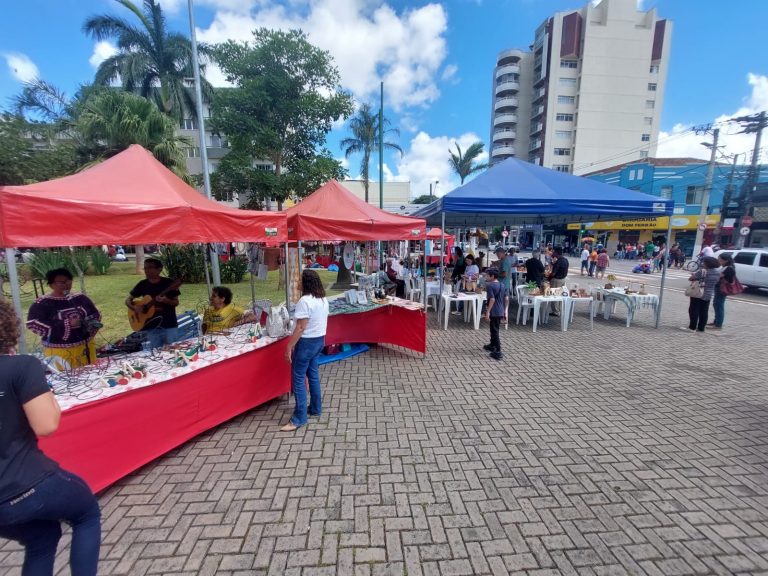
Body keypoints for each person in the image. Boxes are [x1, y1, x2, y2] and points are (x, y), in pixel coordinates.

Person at [0, 299, 101, 575]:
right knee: (86, 514)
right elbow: (47, 425)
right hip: (23, 482)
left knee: (42, 538)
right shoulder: (20, 367)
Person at [282, 270, 329, 431]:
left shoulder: (305, 301)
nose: (298, 283)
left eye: (300, 280)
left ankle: (299, 418)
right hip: (319, 341)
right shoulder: (322, 299)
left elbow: (301, 327)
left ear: (306, 283)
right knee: (313, 375)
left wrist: (289, 346)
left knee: (299, 379)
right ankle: (316, 408)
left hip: (306, 343)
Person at [26, 268, 102, 368]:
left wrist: (90, 323)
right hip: (60, 352)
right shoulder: (42, 303)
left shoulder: (80, 298)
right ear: (51, 284)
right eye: (61, 282)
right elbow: (33, 324)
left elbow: (95, 314)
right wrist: (66, 324)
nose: (66, 284)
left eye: (68, 281)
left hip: (86, 347)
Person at [125, 258, 181, 349]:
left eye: (150, 268)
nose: (147, 270)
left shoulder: (169, 283)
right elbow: (127, 300)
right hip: (151, 326)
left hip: (169, 325)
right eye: (145, 268)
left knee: (174, 351)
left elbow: (176, 302)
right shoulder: (142, 284)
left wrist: (166, 300)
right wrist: (134, 308)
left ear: (159, 269)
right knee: (156, 354)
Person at [686, 256, 720, 332]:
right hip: (708, 293)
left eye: (704, 262)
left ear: (707, 264)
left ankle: (692, 327)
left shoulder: (703, 271)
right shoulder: (717, 273)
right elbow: (716, 282)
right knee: (704, 311)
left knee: (693, 309)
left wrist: (694, 276)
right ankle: (701, 328)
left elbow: (691, 278)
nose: (703, 263)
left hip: (698, 293)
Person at [483, 268, 508, 361]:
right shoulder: (502, 284)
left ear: (492, 276)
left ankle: (498, 351)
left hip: (494, 311)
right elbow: (506, 299)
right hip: (500, 310)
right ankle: (492, 345)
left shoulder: (490, 286)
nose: (486, 277)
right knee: (493, 329)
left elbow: (492, 299)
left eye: (487, 275)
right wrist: (505, 310)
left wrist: (488, 311)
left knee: (495, 331)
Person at [711, 253, 736, 329]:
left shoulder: (728, 268)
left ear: (726, 260)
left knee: (719, 305)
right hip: (719, 288)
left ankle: (718, 324)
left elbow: (719, 276)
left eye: (720, 260)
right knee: (716, 304)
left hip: (722, 289)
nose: (719, 261)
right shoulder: (725, 267)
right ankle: (716, 321)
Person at [547, 247, 569, 316]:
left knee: (554, 295)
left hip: (556, 280)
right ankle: (559, 309)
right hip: (563, 279)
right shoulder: (565, 260)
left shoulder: (558, 261)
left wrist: (549, 277)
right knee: (560, 296)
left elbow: (553, 273)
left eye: (554, 251)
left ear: (556, 252)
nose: (553, 253)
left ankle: (555, 311)